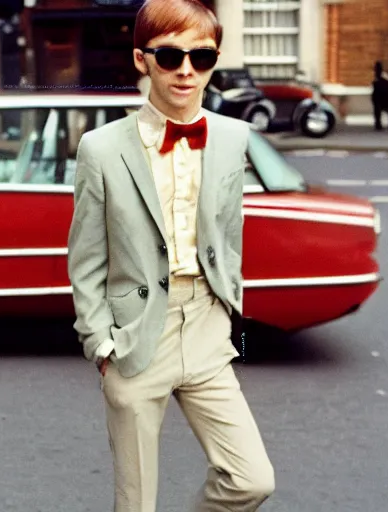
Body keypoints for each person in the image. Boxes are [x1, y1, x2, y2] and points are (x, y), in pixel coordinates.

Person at [67, 0, 275, 510]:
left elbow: (229, 235)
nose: (186, 70)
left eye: (201, 57)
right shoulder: (101, 147)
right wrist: (101, 343)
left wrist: (228, 309)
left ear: (214, 59)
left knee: (251, 480)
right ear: (143, 59)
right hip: (136, 337)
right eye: (169, 55)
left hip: (206, 328)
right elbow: (86, 256)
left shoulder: (232, 136)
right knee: (135, 501)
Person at [371, 61, 388, 131]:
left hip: (383, 97)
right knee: (379, 111)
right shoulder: (377, 76)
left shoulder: (383, 76)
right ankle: (378, 124)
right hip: (379, 97)